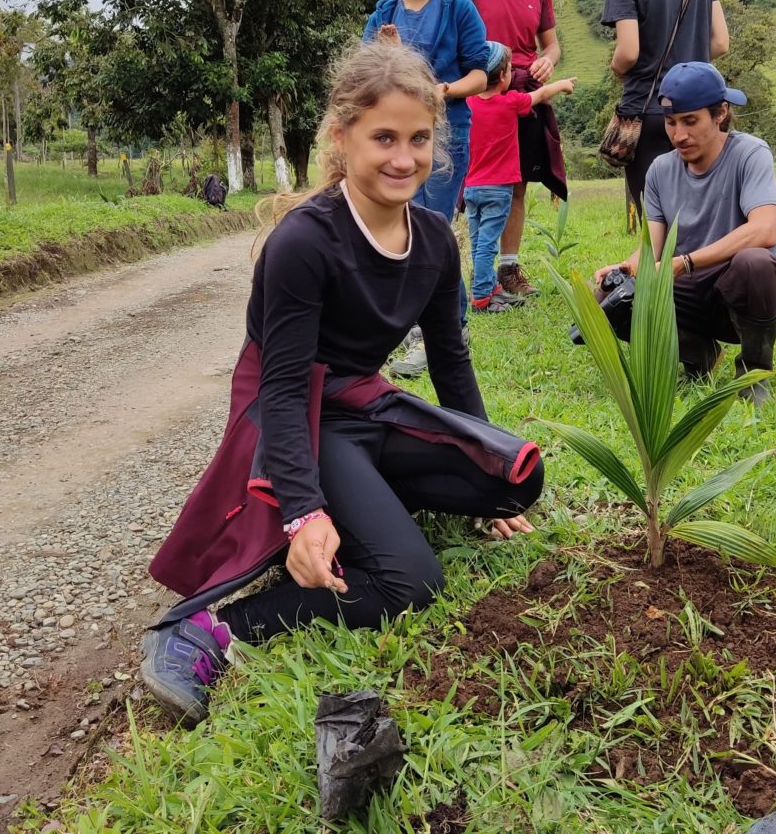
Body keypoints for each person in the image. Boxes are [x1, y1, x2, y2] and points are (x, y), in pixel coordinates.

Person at [140, 42, 544, 726]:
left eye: (419, 139)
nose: (402, 158)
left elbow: (450, 361)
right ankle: (213, 630)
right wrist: (303, 513)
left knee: (516, 477)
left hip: (364, 404)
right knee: (409, 583)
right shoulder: (306, 243)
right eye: (383, 137)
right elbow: (283, 388)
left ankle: (366, 506)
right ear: (342, 136)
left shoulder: (434, 242)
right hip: (300, 414)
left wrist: (485, 457)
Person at [595, 62, 776, 405]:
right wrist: (623, 269)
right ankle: (699, 355)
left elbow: (764, 229)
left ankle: (754, 373)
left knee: (755, 263)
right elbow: (651, 248)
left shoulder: (750, 153)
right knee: (607, 300)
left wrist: (684, 263)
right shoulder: (661, 170)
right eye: (671, 123)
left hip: (738, 290)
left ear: (720, 114)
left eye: (690, 121)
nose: (678, 134)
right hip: (687, 288)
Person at [364, 0, 490, 378]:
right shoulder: (383, 17)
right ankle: (416, 329)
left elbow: (480, 74)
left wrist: (443, 92)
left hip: (447, 132)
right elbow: (369, 79)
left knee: (431, 229)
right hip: (396, 138)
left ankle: (448, 331)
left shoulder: (458, 10)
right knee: (399, 230)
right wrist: (387, 53)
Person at [455, 0, 567, 299]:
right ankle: (472, 267)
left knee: (517, 182)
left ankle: (508, 268)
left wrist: (547, 64)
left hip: (520, 93)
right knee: (473, 181)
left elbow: (551, 46)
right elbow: (454, 36)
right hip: (476, 97)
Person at [600, 0, 730, 210]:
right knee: (702, 215)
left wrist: (616, 67)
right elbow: (720, 42)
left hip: (648, 112)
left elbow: (628, 52)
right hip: (699, 108)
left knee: (656, 224)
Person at [465, 41, 575, 313]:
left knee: (479, 241)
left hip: (470, 189)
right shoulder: (510, 103)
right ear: (503, 77)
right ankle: (481, 298)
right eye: (511, 69)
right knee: (488, 244)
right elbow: (539, 95)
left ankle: (491, 287)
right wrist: (562, 84)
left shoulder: (468, 104)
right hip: (498, 190)